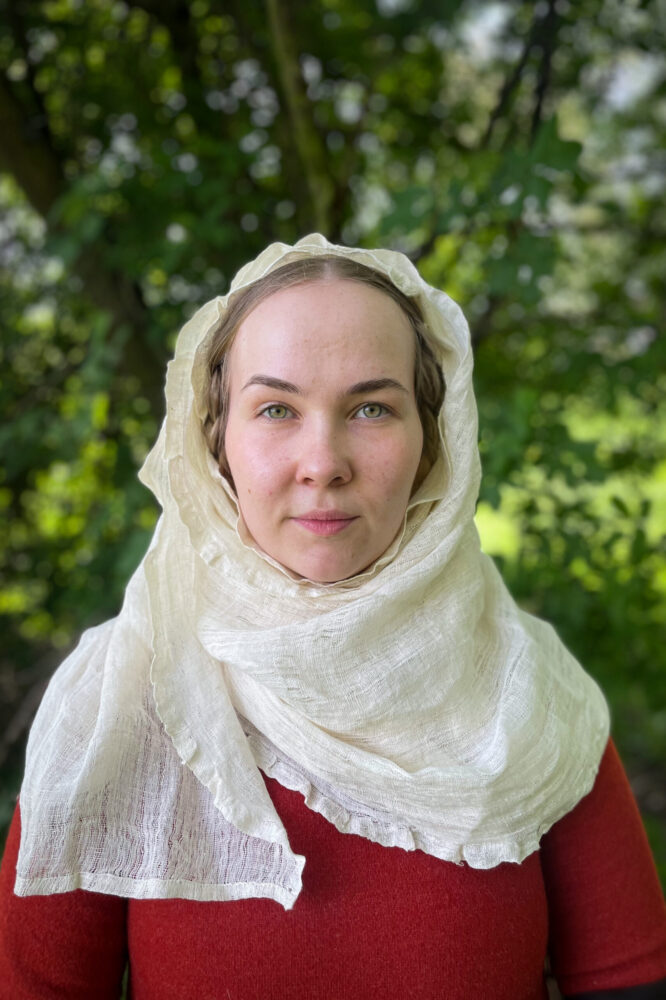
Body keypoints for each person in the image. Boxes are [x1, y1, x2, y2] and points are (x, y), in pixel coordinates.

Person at [1, 233, 665, 999]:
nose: (323, 461)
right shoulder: (119, 696)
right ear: (214, 439)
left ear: (432, 444)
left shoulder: (533, 695)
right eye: (277, 408)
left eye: (372, 408)